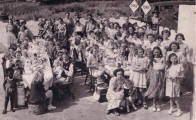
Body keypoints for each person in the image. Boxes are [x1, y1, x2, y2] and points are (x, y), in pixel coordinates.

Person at [145, 47, 165, 112]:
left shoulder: (162, 58)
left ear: (160, 52)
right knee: (154, 89)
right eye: (155, 52)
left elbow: (164, 67)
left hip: (161, 75)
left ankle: (158, 104)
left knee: (160, 89)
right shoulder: (152, 59)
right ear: (153, 53)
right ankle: (154, 104)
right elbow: (150, 69)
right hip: (154, 76)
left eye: (157, 52)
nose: (156, 53)